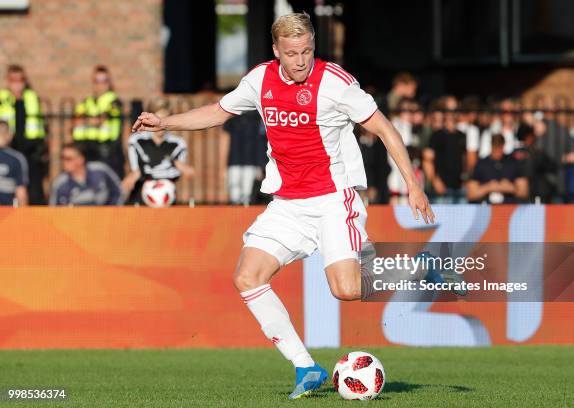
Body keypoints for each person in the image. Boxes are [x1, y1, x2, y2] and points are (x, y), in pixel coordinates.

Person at [132, 12, 433, 399]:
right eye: (292, 53)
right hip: (287, 204)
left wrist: (413, 185)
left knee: (345, 289)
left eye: (307, 51)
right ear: (276, 51)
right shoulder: (259, 80)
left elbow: (384, 128)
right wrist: (164, 123)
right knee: (247, 277)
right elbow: (218, 112)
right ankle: (305, 366)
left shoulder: (335, 82)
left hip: (331, 199)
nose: (301, 60)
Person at [122, 102, 194, 204]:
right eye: (157, 119)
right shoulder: (137, 141)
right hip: (142, 196)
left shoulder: (177, 144)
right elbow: (134, 173)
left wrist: (174, 162)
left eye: (164, 119)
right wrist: (132, 178)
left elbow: (188, 173)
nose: (159, 123)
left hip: (167, 197)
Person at [0, 65, 46, 204]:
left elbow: (38, 124)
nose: (17, 84)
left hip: (30, 151)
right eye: (13, 80)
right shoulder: (3, 97)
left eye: (21, 79)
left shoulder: (31, 97)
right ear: (8, 81)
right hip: (9, 148)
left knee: (34, 191)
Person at [72, 65, 125, 178]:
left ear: (109, 83)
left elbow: (100, 120)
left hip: (107, 151)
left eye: (104, 81)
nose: (100, 85)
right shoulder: (86, 101)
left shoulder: (114, 101)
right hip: (87, 148)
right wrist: (91, 120)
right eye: (97, 81)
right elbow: (75, 122)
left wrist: (86, 120)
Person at [50, 142, 123, 206]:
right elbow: (54, 210)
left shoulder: (101, 170)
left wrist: (111, 212)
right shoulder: (60, 183)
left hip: (106, 219)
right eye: (62, 158)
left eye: (68, 158)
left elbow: (119, 191)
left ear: (81, 159)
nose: (64, 162)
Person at [222, 110, 267, 205]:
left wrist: (260, 165)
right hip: (234, 161)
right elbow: (225, 141)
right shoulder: (232, 115)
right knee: (234, 194)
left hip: (252, 162)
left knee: (248, 194)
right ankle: (235, 217)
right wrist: (223, 166)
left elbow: (261, 142)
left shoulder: (258, 116)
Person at [467, 134, 528, 204]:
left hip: (510, 210)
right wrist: (488, 187)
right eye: (495, 148)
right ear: (491, 146)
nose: (497, 152)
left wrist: (510, 188)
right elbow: (471, 194)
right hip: (486, 209)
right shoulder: (481, 164)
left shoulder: (513, 163)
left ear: (503, 146)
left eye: (499, 148)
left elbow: (524, 192)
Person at [423, 111, 466, 204]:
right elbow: (427, 160)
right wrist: (435, 181)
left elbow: (464, 159)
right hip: (441, 187)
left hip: (458, 187)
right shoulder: (437, 135)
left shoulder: (462, 135)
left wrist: (465, 179)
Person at [0, 120, 28, 206]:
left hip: (8, 213)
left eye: (3, 132)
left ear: (10, 135)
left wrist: (22, 217)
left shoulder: (16, 159)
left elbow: (21, 194)